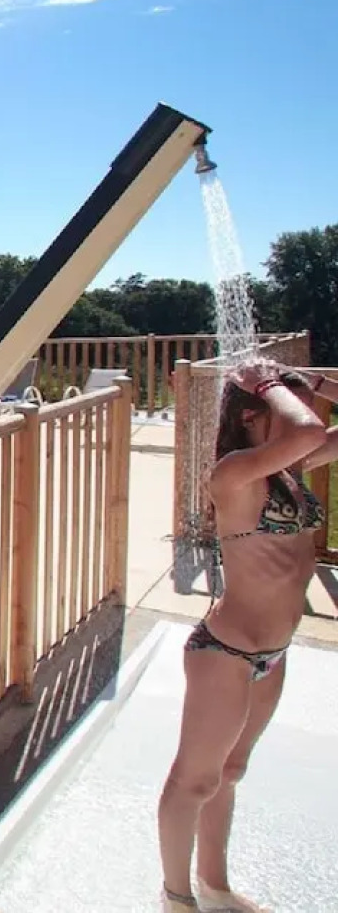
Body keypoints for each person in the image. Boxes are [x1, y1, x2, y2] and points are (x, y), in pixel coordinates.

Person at [158, 361, 338, 912]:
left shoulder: (290, 470)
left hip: (271, 653)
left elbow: (311, 434)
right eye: (290, 403)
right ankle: (175, 898)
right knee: (194, 781)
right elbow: (308, 431)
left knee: (230, 772)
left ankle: (214, 886)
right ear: (255, 413)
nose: (305, 414)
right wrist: (264, 381)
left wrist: (315, 382)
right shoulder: (232, 474)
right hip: (226, 654)